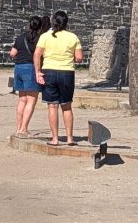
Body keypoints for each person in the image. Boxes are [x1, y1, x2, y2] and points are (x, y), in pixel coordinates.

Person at [33, 11, 83, 146]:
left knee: (52, 106)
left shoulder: (45, 36)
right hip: (66, 72)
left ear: (53, 21)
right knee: (66, 106)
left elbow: (37, 54)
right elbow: (79, 58)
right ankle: (70, 138)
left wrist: (38, 72)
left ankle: (55, 139)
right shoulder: (73, 37)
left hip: (49, 71)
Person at [9, 16, 44, 137]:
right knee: (31, 100)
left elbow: (12, 53)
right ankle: (24, 128)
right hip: (31, 69)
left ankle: (18, 128)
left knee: (22, 100)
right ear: (40, 27)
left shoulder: (20, 38)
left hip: (19, 68)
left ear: (29, 25)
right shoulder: (40, 39)